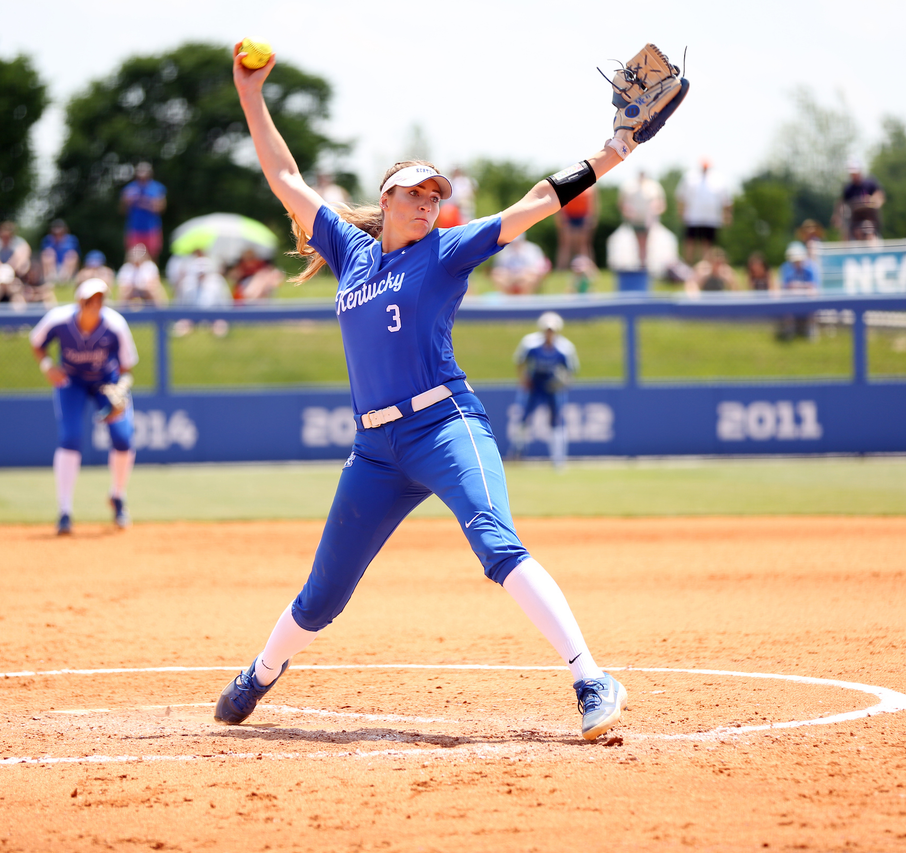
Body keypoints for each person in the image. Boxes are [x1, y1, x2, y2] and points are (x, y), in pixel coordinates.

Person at [210, 39, 653, 742]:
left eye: (434, 195)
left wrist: (612, 152)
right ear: (385, 200)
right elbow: (285, 175)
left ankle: (591, 678)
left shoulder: (445, 252)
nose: (426, 203)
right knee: (322, 596)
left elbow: (538, 200)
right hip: (376, 450)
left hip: (445, 426)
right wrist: (250, 96)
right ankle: (259, 674)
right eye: (413, 194)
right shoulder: (349, 251)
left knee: (495, 543)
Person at [29, 278, 139, 535]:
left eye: (100, 300)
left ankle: (118, 497)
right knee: (71, 438)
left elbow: (127, 368)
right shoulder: (59, 319)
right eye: (90, 300)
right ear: (80, 302)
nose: (95, 305)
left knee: (123, 438)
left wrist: (121, 389)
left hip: (106, 383)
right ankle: (64, 511)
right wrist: (47, 367)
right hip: (72, 382)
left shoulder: (114, 324)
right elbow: (37, 343)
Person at [509, 312, 579, 468]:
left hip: (552, 387)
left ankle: (558, 459)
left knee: (556, 420)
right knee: (524, 417)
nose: (549, 333)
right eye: (547, 330)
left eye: (552, 330)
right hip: (535, 383)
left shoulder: (564, 348)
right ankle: (517, 452)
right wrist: (523, 380)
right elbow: (520, 362)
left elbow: (571, 371)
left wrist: (563, 383)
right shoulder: (531, 343)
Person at [676, 159, 731, 264]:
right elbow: (680, 196)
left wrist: (727, 215)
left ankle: (705, 265)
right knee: (690, 241)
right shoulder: (689, 177)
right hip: (692, 217)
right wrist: (681, 212)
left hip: (711, 218)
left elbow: (726, 200)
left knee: (707, 242)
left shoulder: (718, 178)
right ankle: (688, 264)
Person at [619, 170, 666, 268]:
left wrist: (654, 212)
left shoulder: (654, 186)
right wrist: (628, 212)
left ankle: (644, 263)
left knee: (646, 242)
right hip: (635, 220)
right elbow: (622, 203)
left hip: (649, 221)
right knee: (638, 242)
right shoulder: (629, 186)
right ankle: (641, 263)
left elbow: (661, 204)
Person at [120, 161, 167, 260]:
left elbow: (162, 208)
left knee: (153, 254)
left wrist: (146, 203)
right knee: (132, 255)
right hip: (134, 228)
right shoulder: (129, 189)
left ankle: (152, 274)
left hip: (152, 228)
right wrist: (126, 202)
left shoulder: (157, 188)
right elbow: (122, 209)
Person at [777, 241, 820, 341]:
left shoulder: (811, 267)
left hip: (807, 297)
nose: (797, 263)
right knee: (785, 300)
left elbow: (814, 286)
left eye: (799, 260)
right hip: (792, 297)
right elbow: (783, 286)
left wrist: (798, 286)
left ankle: (810, 330)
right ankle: (789, 330)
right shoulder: (786, 267)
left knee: (813, 297)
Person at [835, 159, 885, 242]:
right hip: (855, 220)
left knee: (869, 230)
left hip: (870, 218)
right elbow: (841, 203)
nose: (854, 176)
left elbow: (880, 197)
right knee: (847, 232)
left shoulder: (869, 183)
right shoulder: (849, 188)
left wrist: (872, 200)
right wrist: (838, 217)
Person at [553, 185, 596, 274]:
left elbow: (592, 203)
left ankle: (588, 268)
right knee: (565, 244)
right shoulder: (567, 183)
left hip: (583, 216)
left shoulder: (591, 187)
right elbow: (561, 200)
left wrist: (590, 218)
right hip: (568, 215)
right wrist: (562, 217)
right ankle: (561, 269)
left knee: (583, 244)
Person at [41, 219, 80, 284]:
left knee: (72, 254)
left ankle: (65, 279)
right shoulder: (47, 240)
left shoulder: (72, 240)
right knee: (48, 253)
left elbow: (77, 257)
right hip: (52, 268)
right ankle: (50, 279)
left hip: (66, 268)